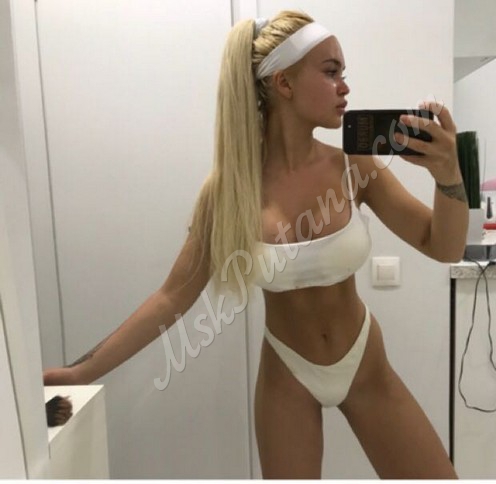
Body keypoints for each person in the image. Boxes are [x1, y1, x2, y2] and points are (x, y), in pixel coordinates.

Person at [44, 10, 468, 478]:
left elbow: (442, 246)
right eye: (331, 72)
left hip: (365, 364)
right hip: (288, 376)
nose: (345, 87)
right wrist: (82, 372)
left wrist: (448, 175)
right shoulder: (230, 192)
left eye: (343, 73)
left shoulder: (354, 166)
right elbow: (171, 298)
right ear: (283, 83)